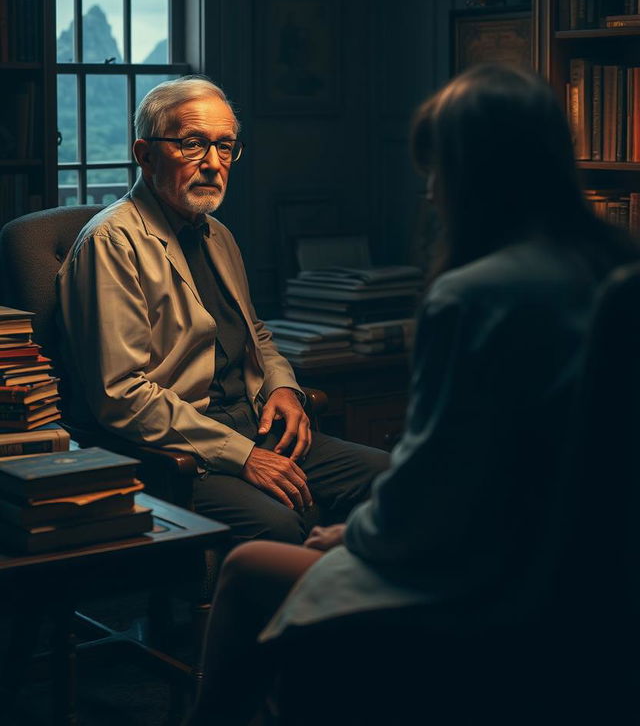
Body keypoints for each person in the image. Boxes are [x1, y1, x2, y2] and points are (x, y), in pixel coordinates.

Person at [182, 63, 640, 726]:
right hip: (593, 588)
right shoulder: (615, 270)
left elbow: (433, 485)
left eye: (437, 171)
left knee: (253, 566)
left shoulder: (476, 295)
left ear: (473, 177)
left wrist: (350, 539)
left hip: (489, 589)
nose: (429, 194)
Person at [56, 75, 389, 544]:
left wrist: (285, 388)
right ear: (145, 155)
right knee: (279, 524)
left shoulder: (217, 235)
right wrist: (243, 455)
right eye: (193, 145)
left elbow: (257, 335)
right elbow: (122, 393)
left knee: (391, 478)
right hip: (178, 450)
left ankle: (350, 613)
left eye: (225, 147)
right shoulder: (111, 243)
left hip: (256, 425)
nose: (213, 164)